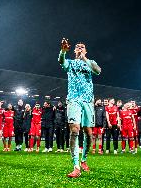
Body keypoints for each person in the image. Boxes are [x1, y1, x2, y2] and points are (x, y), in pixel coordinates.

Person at [59, 38, 101, 178]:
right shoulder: (70, 63)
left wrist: (85, 59)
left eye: (82, 47)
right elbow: (61, 61)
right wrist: (63, 52)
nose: (80, 48)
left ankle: (84, 160)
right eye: (77, 47)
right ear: (74, 50)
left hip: (88, 101)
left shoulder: (90, 63)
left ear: (85, 50)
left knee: (88, 133)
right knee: (75, 129)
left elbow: (98, 71)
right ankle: (76, 166)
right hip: (73, 100)